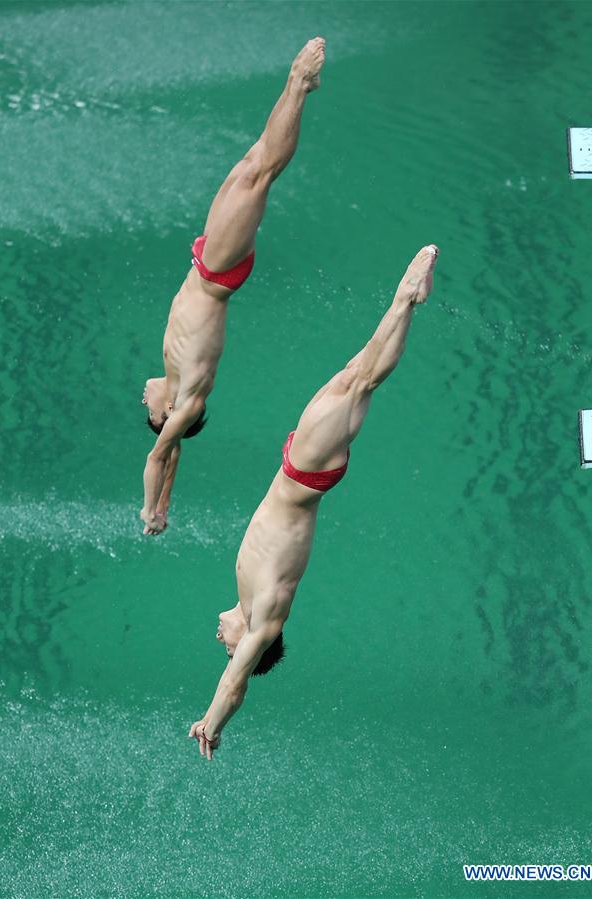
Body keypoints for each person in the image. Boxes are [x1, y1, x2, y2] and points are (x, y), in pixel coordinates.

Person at [189, 244, 440, 759]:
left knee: (355, 374)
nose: (221, 643)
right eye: (228, 651)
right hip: (304, 475)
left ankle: (406, 302)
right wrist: (212, 723)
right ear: (245, 651)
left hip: (299, 472)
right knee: (362, 380)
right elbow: (237, 683)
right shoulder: (264, 621)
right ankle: (406, 297)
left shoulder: (252, 603)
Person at [140, 37, 326, 535]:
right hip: (217, 272)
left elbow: (172, 456)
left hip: (208, 264)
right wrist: (148, 510)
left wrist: (166, 506)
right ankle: (299, 83)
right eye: (149, 413)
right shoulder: (187, 402)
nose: (143, 401)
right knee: (262, 173)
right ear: (165, 417)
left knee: (252, 163)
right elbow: (160, 456)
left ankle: (296, 86)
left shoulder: (178, 394)